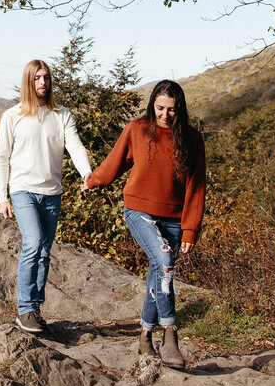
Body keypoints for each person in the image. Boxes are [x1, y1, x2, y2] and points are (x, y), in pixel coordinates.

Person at [83, 79, 206, 367]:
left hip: (175, 218)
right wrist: (93, 181)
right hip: (139, 210)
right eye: (160, 108)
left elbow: (197, 186)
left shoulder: (192, 138)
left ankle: (144, 336)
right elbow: (115, 162)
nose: (165, 115)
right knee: (165, 261)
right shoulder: (137, 128)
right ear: (152, 105)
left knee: (157, 271)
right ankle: (170, 335)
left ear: (180, 109)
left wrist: (190, 228)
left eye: (171, 109)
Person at [0, 59, 93, 334]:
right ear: (28, 81)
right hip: (22, 190)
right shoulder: (12, 116)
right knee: (33, 243)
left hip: (52, 193)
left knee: (44, 253)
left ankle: (35, 310)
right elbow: (2, 158)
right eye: (37, 78)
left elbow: (75, 147)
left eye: (46, 77)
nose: (43, 82)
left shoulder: (62, 115)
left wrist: (87, 173)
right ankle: (25, 309)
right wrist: (2, 197)